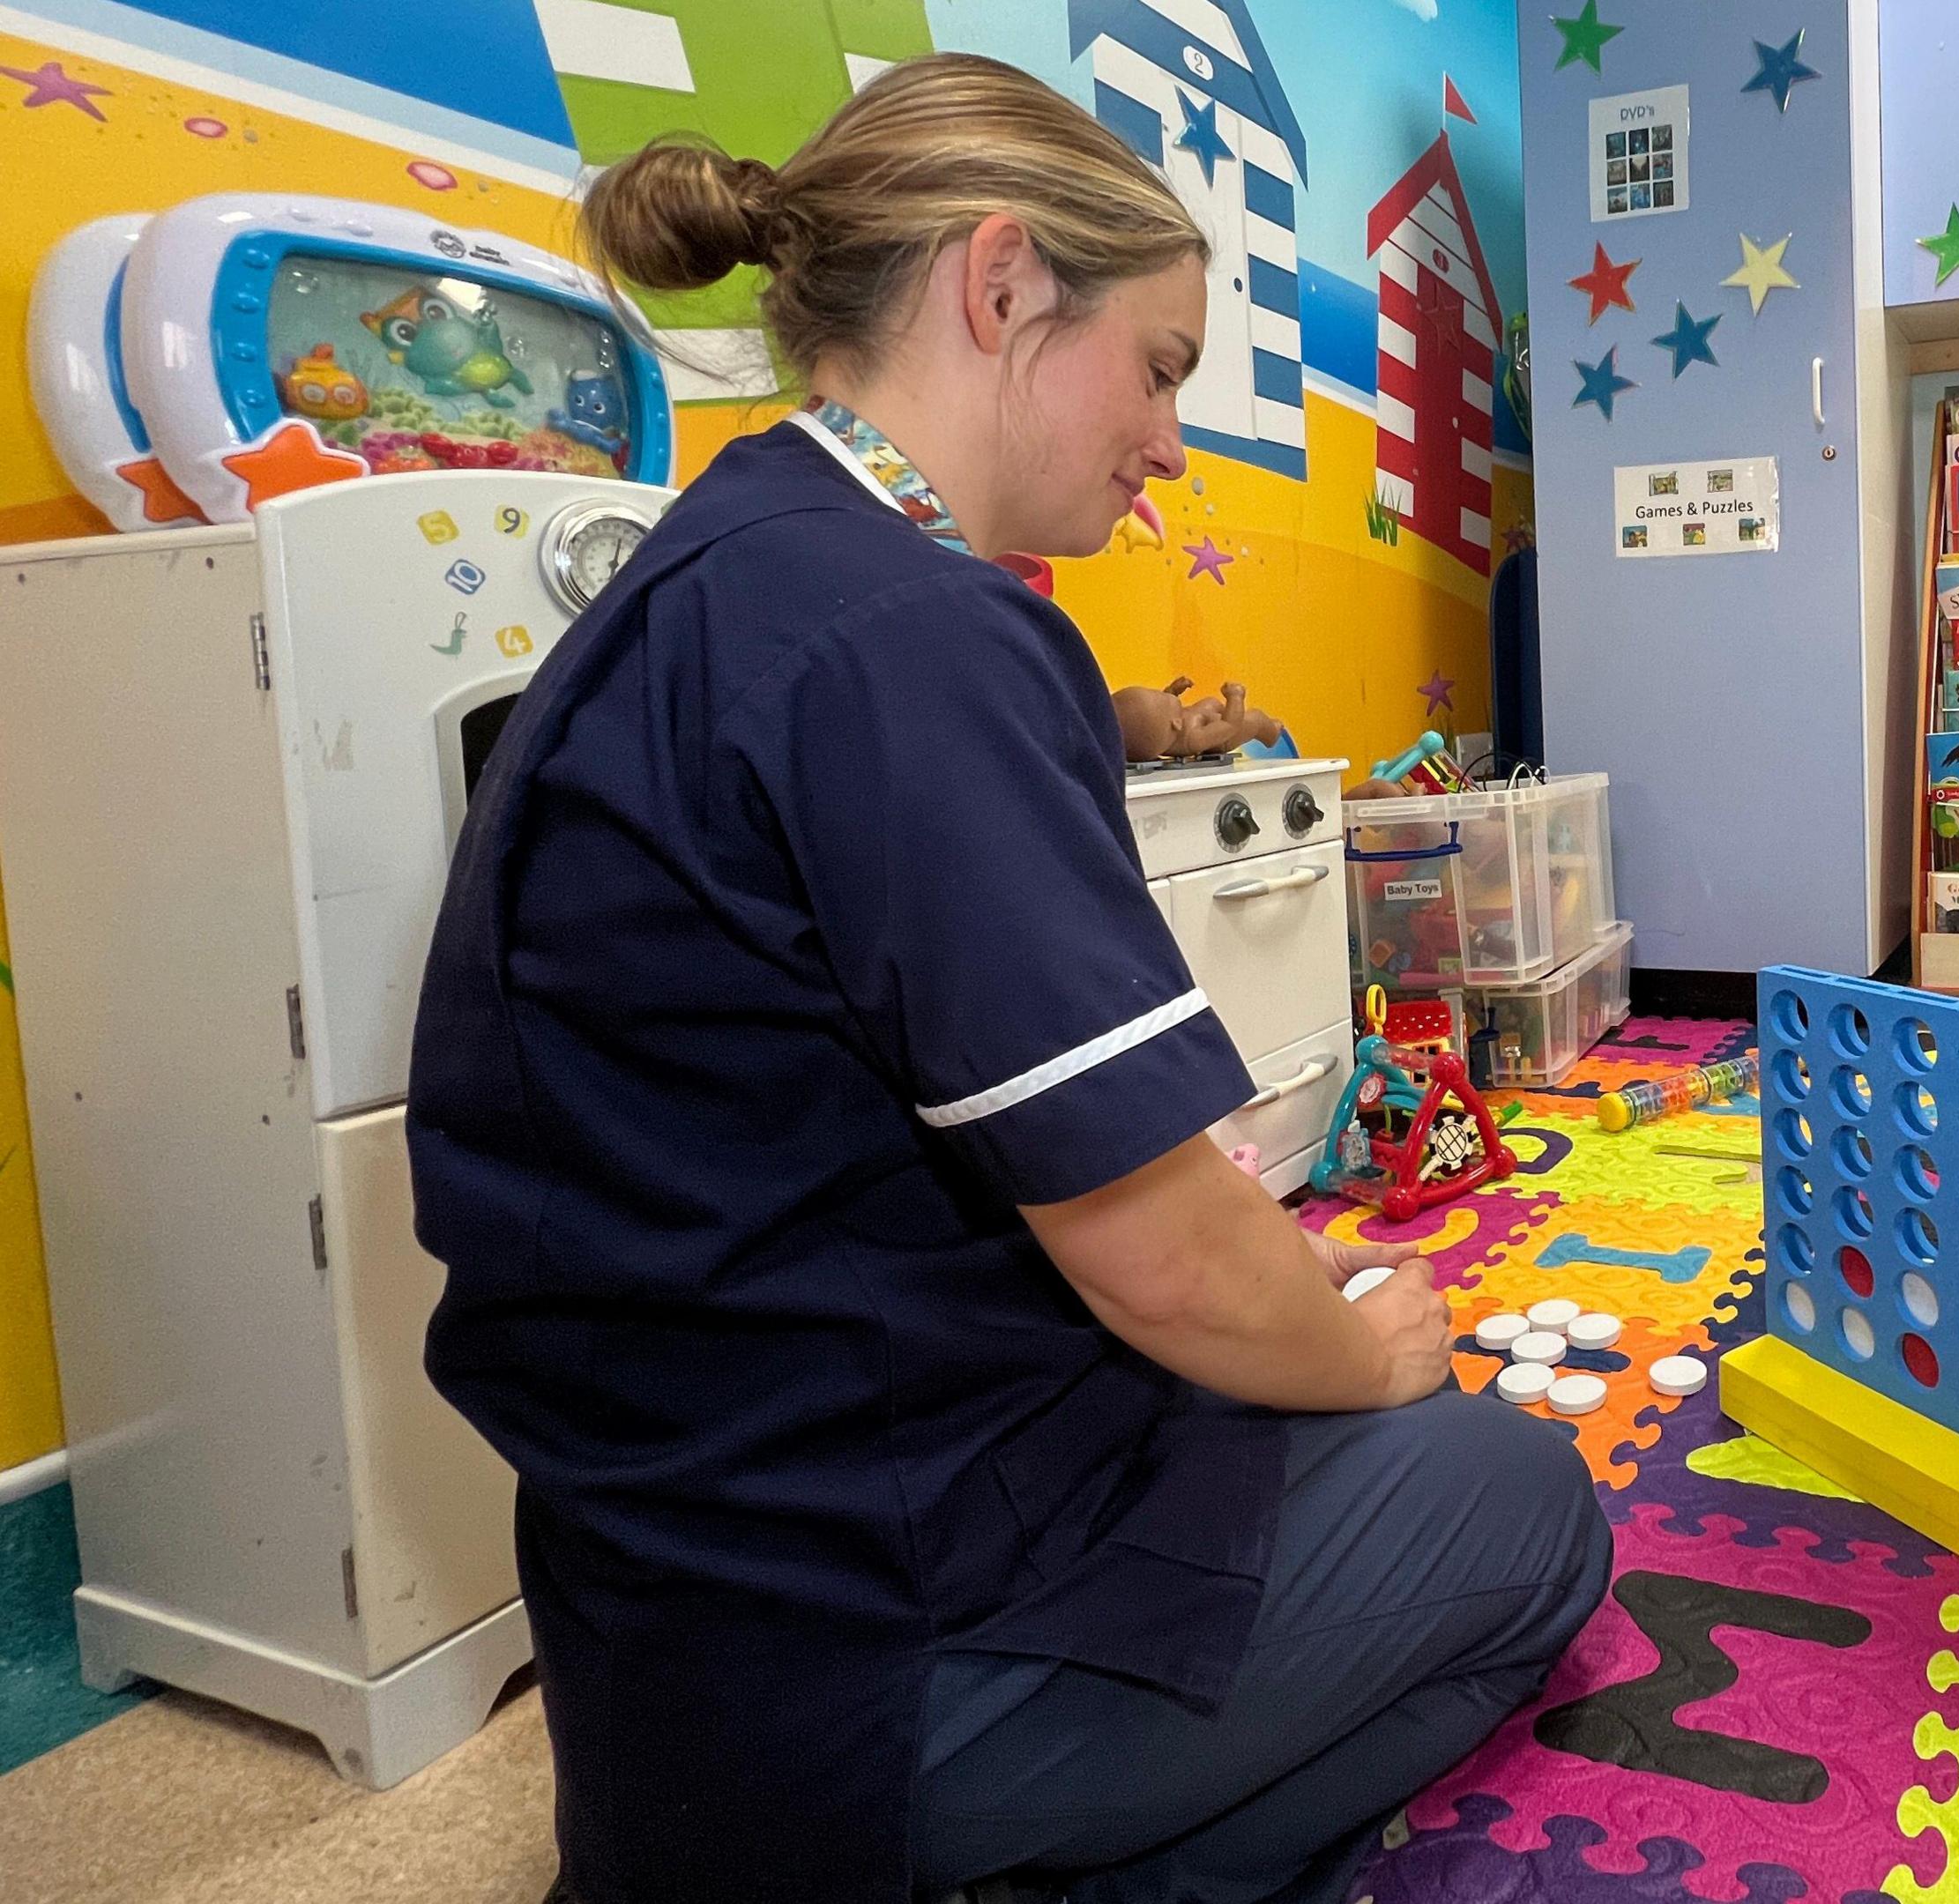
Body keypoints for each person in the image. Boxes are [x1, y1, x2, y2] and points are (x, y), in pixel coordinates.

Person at [408, 56, 1609, 1904]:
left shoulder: (723, 569)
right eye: (1157, 366)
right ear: (997, 286)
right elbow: (1163, 1263)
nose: (1168, 445)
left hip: (679, 1609)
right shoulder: (914, 633)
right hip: (860, 1658)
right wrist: (1357, 1360)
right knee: (1522, 1508)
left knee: (1279, 1390)